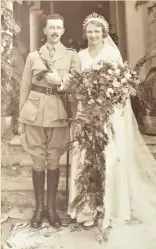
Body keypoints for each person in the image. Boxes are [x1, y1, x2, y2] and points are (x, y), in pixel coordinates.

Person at [68, 13, 156, 248]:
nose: (93, 35)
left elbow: (120, 88)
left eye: (97, 31)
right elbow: (76, 82)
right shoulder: (80, 55)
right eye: (90, 31)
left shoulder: (111, 54)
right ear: (85, 33)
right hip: (87, 111)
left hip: (108, 114)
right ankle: (86, 207)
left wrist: (109, 108)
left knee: (109, 158)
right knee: (86, 157)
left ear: (104, 33)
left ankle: (110, 207)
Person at [18, 13, 81, 229]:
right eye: (51, 28)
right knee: (37, 160)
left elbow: (77, 86)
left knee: (53, 160)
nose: (54, 32)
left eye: (58, 28)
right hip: (33, 114)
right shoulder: (33, 56)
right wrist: (20, 117)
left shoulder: (72, 56)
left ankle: (52, 209)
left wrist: (61, 82)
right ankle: (39, 209)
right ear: (44, 31)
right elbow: (24, 87)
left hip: (58, 113)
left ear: (63, 31)